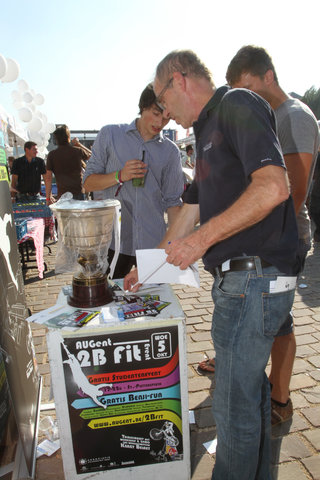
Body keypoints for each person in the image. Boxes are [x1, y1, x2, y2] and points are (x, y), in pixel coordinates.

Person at [124, 50, 300, 480]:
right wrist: (146, 268)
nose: (167, 114)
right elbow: (188, 212)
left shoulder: (236, 104)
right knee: (249, 397)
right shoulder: (205, 130)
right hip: (242, 283)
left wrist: (202, 241)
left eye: (165, 101)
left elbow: (274, 186)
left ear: (179, 80)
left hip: (254, 279)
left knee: (232, 408)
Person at [198, 46, 320, 426]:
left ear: (269, 76)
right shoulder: (266, 113)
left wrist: (251, 230)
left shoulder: (293, 116)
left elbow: (294, 190)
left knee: (280, 324)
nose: (244, 97)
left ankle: (279, 399)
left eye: (248, 87)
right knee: (273, 321)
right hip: (270, 236)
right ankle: (253, 376)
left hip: (286, 237)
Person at [83, 83, 184, 278]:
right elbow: (88, 182)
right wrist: (118, 175)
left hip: (153, 242)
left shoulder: (171, 151)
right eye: (156, 113)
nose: (160, 123)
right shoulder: (110, 134)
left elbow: (173, 202)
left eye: (166, 118)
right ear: (143, 107)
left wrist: (175, 244)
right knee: (109, 300)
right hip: (114, 241)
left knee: (154, 302)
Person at [46, 125, 91, 203]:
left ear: (56, 139)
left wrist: (48, 198)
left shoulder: (52, 155)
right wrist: (79, 144)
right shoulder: (78, 151)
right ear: (68, 137)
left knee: (64, 215)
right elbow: (92, 156)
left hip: (62, 194)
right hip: (78, 192)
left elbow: (48, 178)